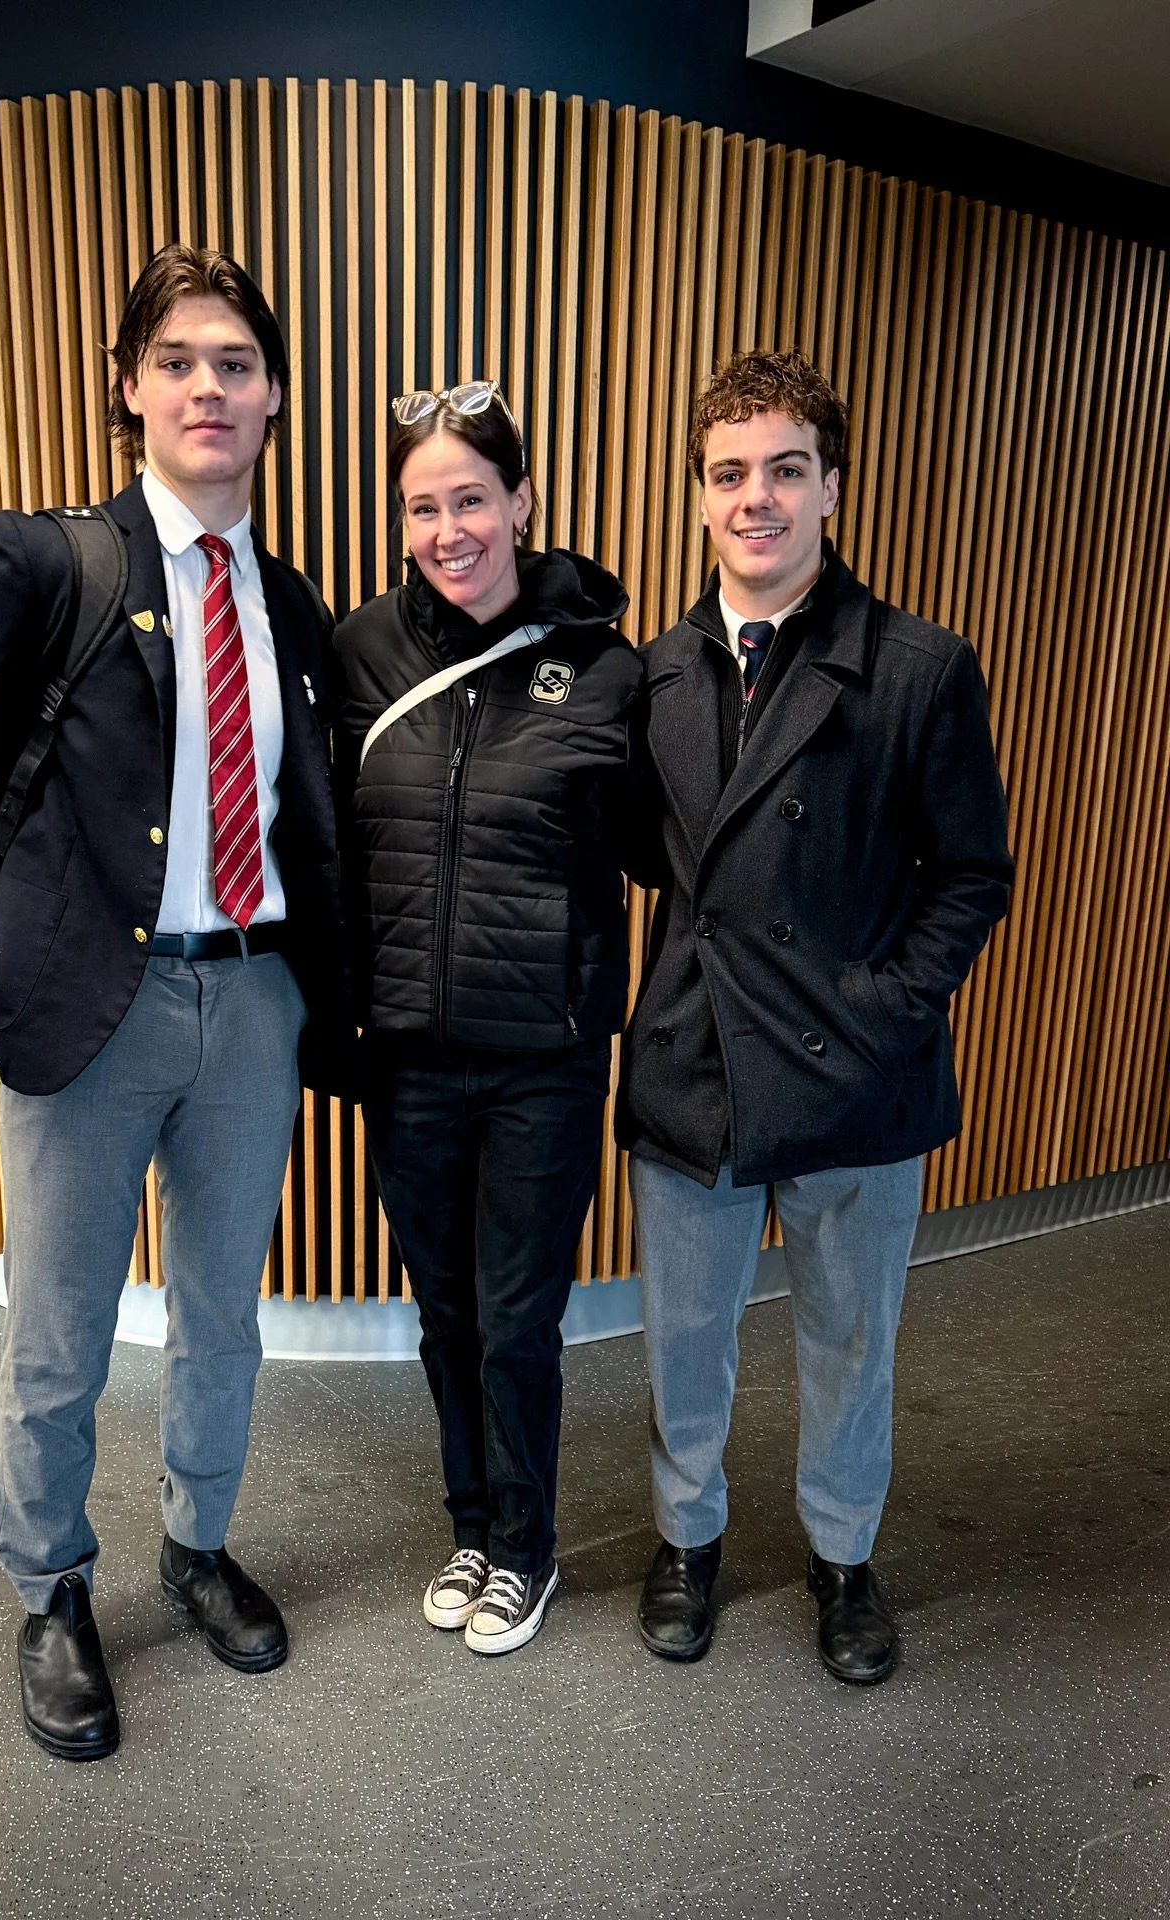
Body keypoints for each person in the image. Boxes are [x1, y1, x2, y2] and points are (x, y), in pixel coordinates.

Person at [0, 244, 349, 1759]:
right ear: (129, 390)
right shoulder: (42, 562)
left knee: (225, 1315)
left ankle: (196, 1548)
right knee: (59, 1328)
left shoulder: (290, 599)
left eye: (236, 362)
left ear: (274, 397)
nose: (208, 386)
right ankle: (53, 1591)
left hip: (253, 1002)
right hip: (87, 1005)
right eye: (178, 360)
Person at [618, 349, 1013, 1684]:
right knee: (686, 1336)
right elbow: (636, 846)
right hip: (699, 1059)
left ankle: (844, 1558)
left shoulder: (917, 669)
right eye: (730, 473)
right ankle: (687, 1541)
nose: (758, 498)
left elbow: (972, 876)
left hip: (859, 1072)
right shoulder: (658, 672)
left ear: (832, 486)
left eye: (787, 469)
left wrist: (890, 1009)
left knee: (851, 1338)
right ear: (698, 498)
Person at [333, 381, 647, 1654]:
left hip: (545, 1061)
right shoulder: (362, 652)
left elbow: (651, 847)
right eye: (423, 505)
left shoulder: (607, 664)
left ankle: (526, 1546)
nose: (449, 527)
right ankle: (471, 1525)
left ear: (522, 502)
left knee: (517, 1315)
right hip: (411, 1055)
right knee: (444, 1309)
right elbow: (328, 842)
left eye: (472, 498)